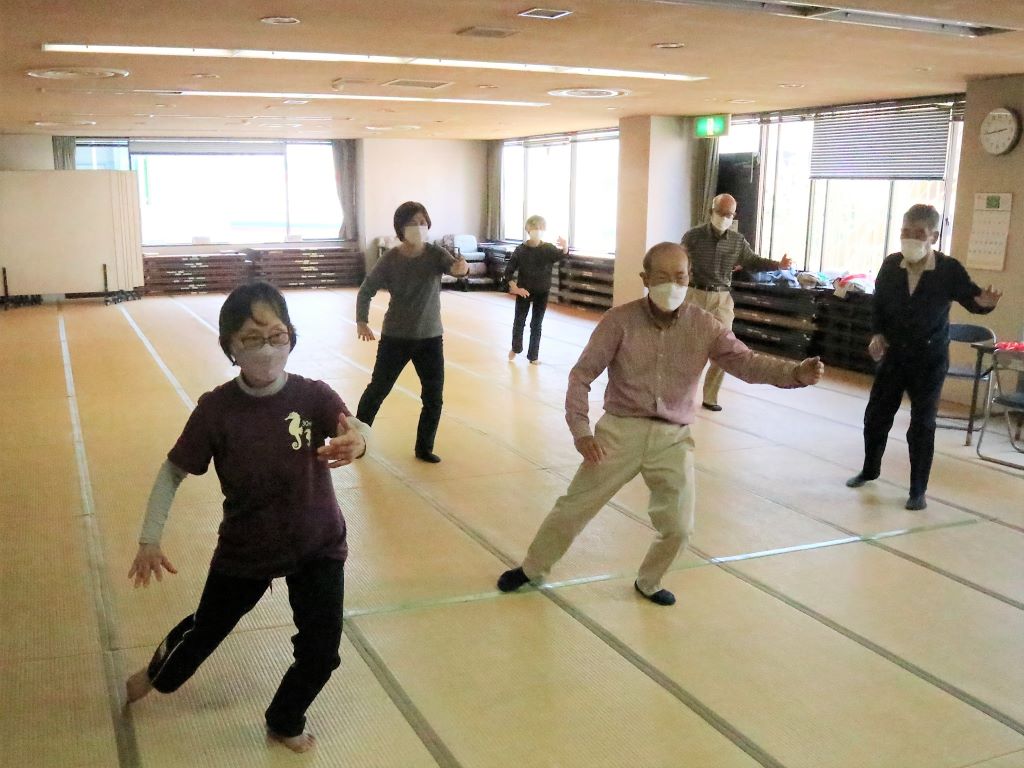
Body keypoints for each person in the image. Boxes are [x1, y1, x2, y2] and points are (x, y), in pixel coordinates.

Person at [497, 242, 823, 606]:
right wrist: (582, 431)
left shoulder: (705, 326)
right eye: (663, 276)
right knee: (573, 508)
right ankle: (531, 568)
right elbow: (581, 376)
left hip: (673, 437)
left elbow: (746, 363)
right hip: (619, 432)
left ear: (689, 278)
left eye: (680, 277)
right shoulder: (619, 321)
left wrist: (795, 373)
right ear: (645, 278)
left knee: (680, 527)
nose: (673, 284)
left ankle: (649, 581)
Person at [125, 281, 370, 754]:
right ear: (230, 347)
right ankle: (159, 672)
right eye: (252, 340)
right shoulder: (216, 410)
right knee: (204, 632)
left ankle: (284, 719)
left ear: (291, 336)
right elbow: (172, 472)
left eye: (277, 336)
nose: (267, 350)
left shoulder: (313, 396)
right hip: (247, 549)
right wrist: (149, 539)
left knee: (322, 653)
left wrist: (359, 442)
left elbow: (354, 428)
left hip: (318, 544)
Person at [846, 204, 1002, 511]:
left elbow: (973, 300)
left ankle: (918, 490)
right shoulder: (891, 265)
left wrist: (986, 303)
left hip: (929, 359)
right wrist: (877, 334)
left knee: (922, 424)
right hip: (894, 356)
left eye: (918, 234)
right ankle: (869, 469)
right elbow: (878, 306)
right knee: (876, 416)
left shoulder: (948, 269)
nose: (910, 239)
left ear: (933, 236)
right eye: (905, 232)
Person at [355, 201, 469, 463]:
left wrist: (462, 270)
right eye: (412, 223)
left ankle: (424, 448)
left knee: (433, 397)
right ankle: (357, 438)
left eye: (422, 222)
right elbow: (366, 289)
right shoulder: (390, 259)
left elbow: (457, 269)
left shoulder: (436, 254)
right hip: (395, 338)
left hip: (430, 338)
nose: (418, 227)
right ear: (400, 228)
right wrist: (362, 321)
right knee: (378, 389)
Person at [681, 193, 792, 412]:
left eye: (729, 215)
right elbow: (680, 258)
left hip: (722, 297)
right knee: (689, 347)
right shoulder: (693, 236)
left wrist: (777, 265)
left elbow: (752, 261)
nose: (724, 218)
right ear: (711, 211)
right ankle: (681, 393)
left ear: (734, 216)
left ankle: (710, 397)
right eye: (721, 213)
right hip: (695, 294)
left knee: (724, 347)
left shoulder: (737, 241)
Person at [504, 215, 569, 365]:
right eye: (534, 228)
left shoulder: (548, 249)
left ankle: (533, 356)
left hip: (542, 291)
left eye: (539, 228)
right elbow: (508, 273)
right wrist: (516, 289)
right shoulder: (520, 250)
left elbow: (562, 255)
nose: (537, 231)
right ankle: (516, 347)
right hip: (524, 291)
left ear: (543, 230)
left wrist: (565, 245)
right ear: (528, 230)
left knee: (536, 324)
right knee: (519, 321)